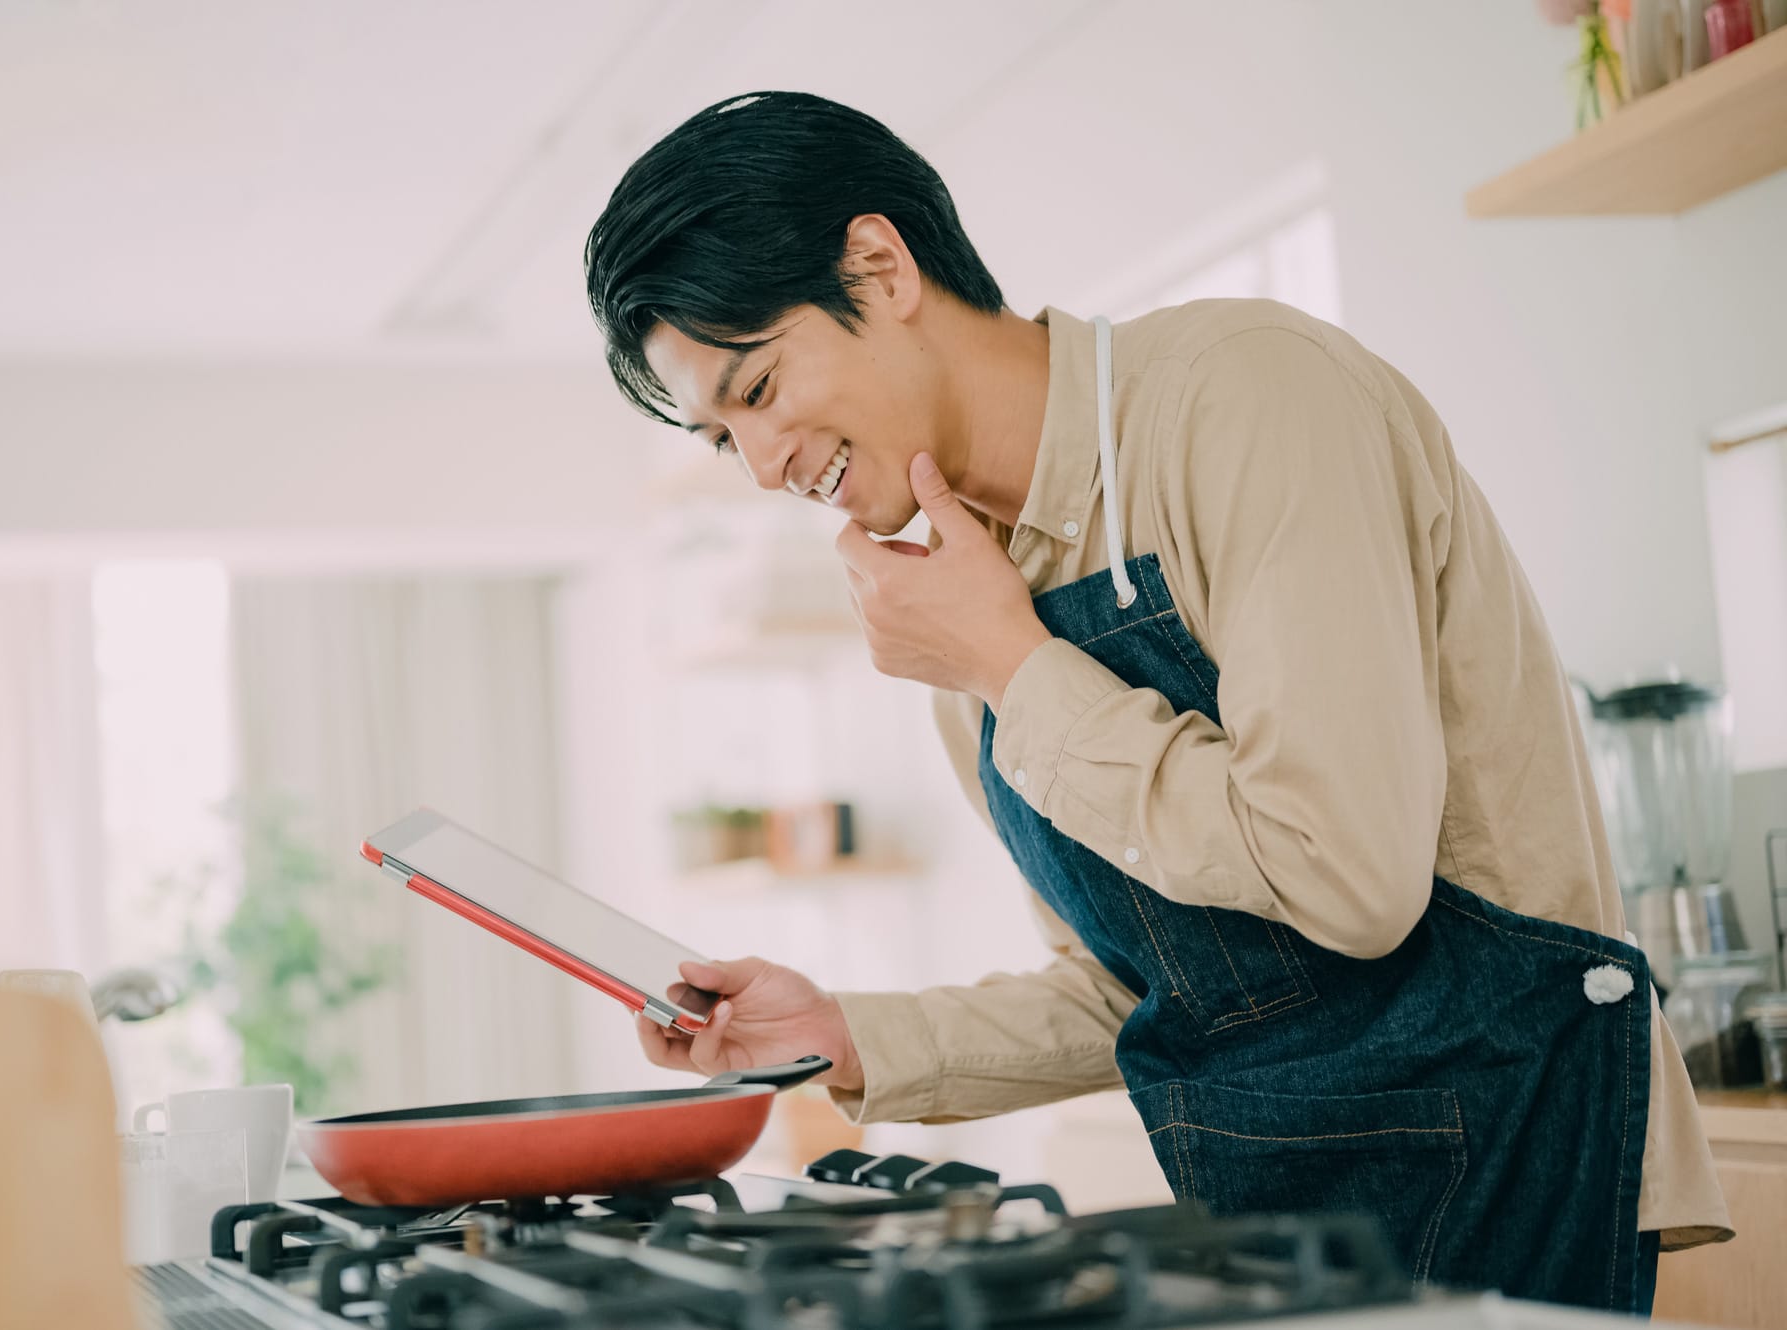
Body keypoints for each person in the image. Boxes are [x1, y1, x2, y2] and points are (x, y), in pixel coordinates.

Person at [582, 90, 1730, 1312]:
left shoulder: (1243, 397)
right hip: (1277, 1213)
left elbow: (1350, 876)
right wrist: (841, 1037)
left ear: (878, 265)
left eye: (754, 392)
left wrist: (1015, 670)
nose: (761, 470)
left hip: (1516, 1143)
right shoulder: (968, 611)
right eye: (719, 441)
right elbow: (1141, 987)